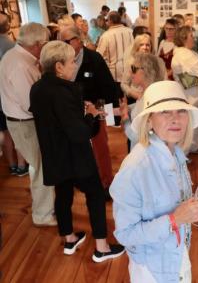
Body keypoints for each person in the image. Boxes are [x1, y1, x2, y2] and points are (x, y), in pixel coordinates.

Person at [111, 80, 198, 282]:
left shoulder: (176, 153)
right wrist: (175, 219)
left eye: (181, 111)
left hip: (176, 256)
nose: (175, 119)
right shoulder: (135, 168)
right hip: (152, 270)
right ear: (149, 120)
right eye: (165, 112)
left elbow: (176, 199)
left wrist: (197, 204)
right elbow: (125, 234)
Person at [29, 40, 125, 262]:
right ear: (59, 66)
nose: (75, 66)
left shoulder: (37, 88)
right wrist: (91, 114)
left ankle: (69, 239)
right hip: (76, 158)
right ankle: (101, 247)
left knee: (63, 195)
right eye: (72, 62)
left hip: (53, 155)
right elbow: (80, 133)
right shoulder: (66, 90)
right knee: (95, 195)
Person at [0, 22, 56, 226]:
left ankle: (44, 208)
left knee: (38, 167)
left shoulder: (20, 57)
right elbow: (31, 103)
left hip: (24, 121)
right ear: (37, 44)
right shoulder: (20, 64)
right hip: (25, 123)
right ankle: (42, 215)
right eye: (45, 44)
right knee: (42, 169)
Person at [60, 26, 116, 195]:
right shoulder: (61, 60)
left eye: (67, 41)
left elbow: (108, 87)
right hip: (72, 112)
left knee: (100, 148)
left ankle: (106, 183)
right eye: (60, 41)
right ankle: (83, 180)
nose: (63, 44)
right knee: (77, 147)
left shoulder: (94, 58)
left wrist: (110, 115)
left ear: (78, 40)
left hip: (96, 109)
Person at [172, 25, 198, 153]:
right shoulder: (183, 54)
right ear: (183, 38)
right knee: (190, 123)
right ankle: (183, 152)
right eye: (191, 36)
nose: (194, 39)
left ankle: (191, 147)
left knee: (195, 122)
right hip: (189, 93)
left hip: (192, 91)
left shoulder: (188, 52)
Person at [0, 12, 28, 176]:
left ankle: (11, 165)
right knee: (16, 132)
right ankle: (21, 165)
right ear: (8, 26)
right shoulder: (11, 47)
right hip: (8, 98)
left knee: (5, 132)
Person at [119, 53, 166, 150]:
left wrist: (125, 118)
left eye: (134, 69)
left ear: (146, 71)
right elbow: (139, 108)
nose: (131, 73)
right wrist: (127, 108)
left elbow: (137, 137)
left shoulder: (151, 98)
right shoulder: (148, 92)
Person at [97, 11, 133, 83]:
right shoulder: (130, 32)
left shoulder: (106, 36)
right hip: (130, 71)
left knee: (117, 94)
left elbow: (98, 56)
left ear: (110, 21)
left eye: (107, 20)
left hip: (114, 75)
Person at [121, 33, 154, 100]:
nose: (145, 47)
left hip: (152, 98)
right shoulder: (131, 63)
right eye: (141, 45)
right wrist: (135, 94)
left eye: (147, 45)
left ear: (151, 47)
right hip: (136, 100)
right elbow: (124, 84)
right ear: (137, 47)